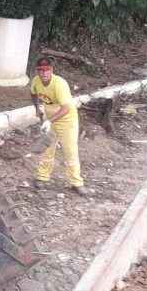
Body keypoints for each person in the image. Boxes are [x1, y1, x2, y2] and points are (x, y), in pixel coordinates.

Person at [30, 57, 91, 196]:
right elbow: (33, 93)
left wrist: (49, 121)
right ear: (37, 71)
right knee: (47, 148)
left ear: (52, 70)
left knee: (70, 151)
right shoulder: (36, 81)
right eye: (41, 70)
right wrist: (37, 108)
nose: (44, 73)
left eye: (47, 70)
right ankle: (42, 177)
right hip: (49, 116)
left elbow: (66, 109)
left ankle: (76, 183)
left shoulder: (59, 84)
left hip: (66, 120)